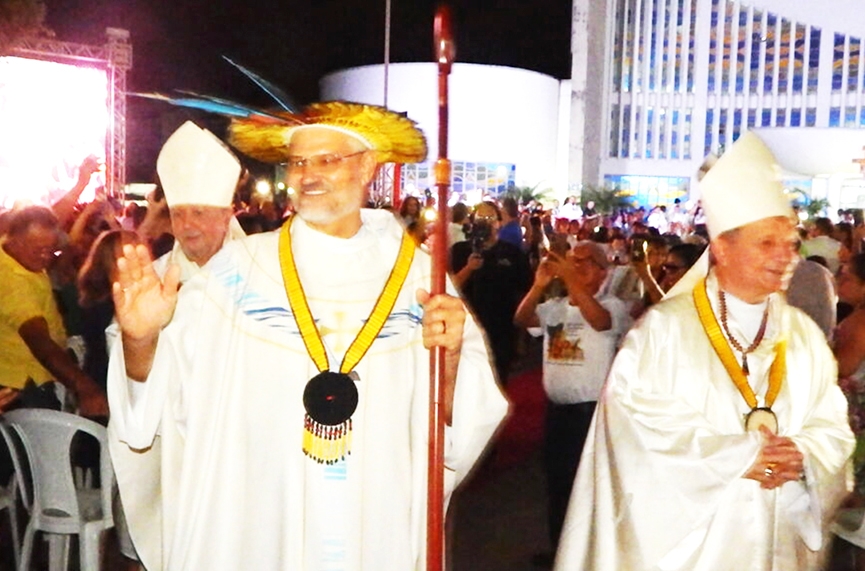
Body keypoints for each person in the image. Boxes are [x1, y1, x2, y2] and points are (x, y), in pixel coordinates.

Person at [107, 101, 507, 570]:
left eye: (326, 160)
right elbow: (161, 402)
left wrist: (453, 357)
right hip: (261, 521)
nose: (307, 174)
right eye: (298, 162)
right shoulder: (236, 274)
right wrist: (140, 340)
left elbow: (459, 425)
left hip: (375, 519)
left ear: (367, 168)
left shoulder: (418, 278)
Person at [555, 132, 854, 571]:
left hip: (780, 541)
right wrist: (740, 456)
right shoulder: (665, 331)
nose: (785, 256)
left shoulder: (803, 335)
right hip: (693, 549)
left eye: (790, 242)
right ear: (721, 248)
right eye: (766, 243)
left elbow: (831, 425)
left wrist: (804, 455)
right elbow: (634, 432)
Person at [513, 241, 630, 559]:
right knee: (557, 482)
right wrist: (539, 285)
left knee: (588, 485)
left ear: (604, 271)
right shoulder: (556, 305)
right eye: (572, 261)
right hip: (558, 411)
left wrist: (572, 280)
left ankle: (588, 554)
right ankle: (559, 550)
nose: (575, 266)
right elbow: (523, 319)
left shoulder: (612, 305)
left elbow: (600, 323)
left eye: (584, 262)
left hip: (589, 411)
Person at [0, 205, 107, 416]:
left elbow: (55, 215)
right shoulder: (11, 280)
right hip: (21, 388)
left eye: (51, 251)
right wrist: (85, 388)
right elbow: (39, 341)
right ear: (15, 240)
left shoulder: (15, 255)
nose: (46, 258)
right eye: (38, 250)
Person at [450, 201, 533, 384]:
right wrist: (469, 268)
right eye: (481, 218)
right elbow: (450, 287)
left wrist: (521, 337)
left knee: (498, 380)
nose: (486, 223)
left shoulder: (512, 253)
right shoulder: (460, 250)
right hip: (466, 328)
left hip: (501, 329)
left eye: (490, 218)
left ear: (499, 222)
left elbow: (525, 291)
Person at [152, 121, 246, 282]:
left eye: (198, 213)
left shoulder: (259, 271)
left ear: (226, 216)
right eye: (177, 214)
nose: (186, 224)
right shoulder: (155, 278)